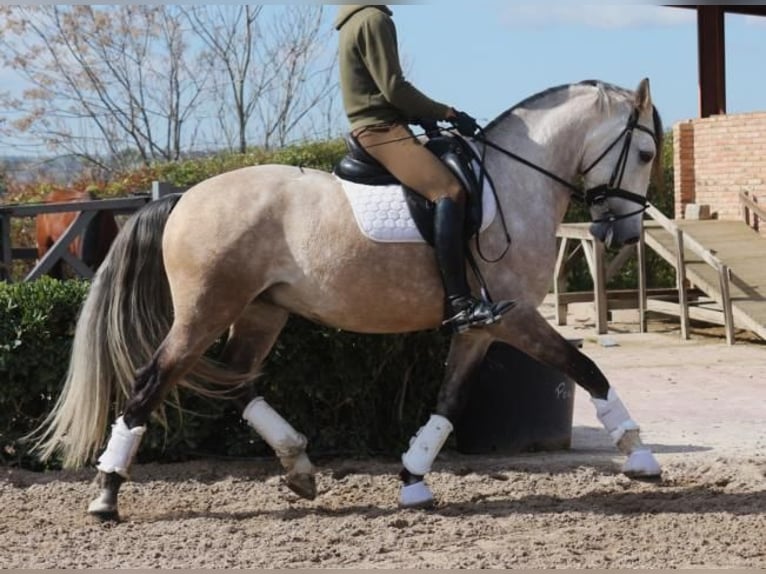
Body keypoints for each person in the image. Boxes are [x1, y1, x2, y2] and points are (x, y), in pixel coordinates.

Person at [334, 4, 513, 333]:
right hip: (381, 131)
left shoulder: (356, 18)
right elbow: (393, 87)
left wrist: (423, 117)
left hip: (385, 124)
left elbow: (380, 90)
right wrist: (448, 112)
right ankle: (461, 302)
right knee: (450, 191)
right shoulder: (373, 19)